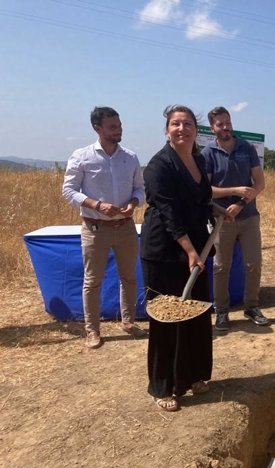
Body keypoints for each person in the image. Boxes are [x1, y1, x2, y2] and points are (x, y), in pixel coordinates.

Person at [140, 105, 214, 411]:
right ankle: (163, 387)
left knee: (196, 315)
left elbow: (200, 199)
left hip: (194, 248)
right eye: (175, 124)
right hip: (166, 252)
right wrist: (190, 251)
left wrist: (217, 210)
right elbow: (169, 213)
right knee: (167, 320)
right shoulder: (159, 166)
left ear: (196, 129)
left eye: (187, 123)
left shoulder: (197, 158)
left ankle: (194, 375)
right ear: (167, 129)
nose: (181, 128)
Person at [62, 106, 147, 349]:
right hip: (94, 228)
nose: (118, 130)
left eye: (119, 125)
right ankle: (92, 330)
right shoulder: (82, 156)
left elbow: (140, 189)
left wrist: (133, 203)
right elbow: (68, 190)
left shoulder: (129, 157)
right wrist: (96, 205)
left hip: (126, 227)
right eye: (112, 127)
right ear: (97, 128)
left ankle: (129, 322)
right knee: (93, 280)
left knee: (129, 277)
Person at [201, 106, 269, 331]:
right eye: (220, 124)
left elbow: (259, 184)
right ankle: (221, 311)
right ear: (213, 128)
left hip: (248, 216)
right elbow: (206, 190)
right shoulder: (208, 153)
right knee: (221, 267)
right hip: (222, 220)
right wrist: (235, 190)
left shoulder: (246, 148)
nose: (226, 127)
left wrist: (241, 202)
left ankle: (251, 306)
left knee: (253, 264)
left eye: (228, 122)